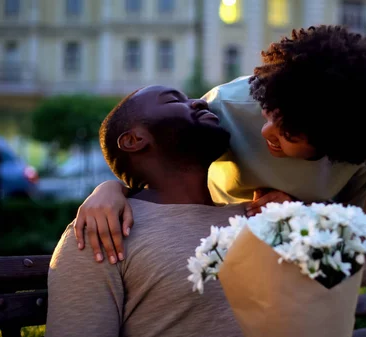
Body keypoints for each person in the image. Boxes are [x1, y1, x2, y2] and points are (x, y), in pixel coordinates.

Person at [74, 25, 366, 286]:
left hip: (272, 283)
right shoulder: (224, 109)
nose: (266, 132)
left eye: (287, 135)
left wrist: (297, 220)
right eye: (268, 113)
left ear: (336, 148)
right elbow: (158, 165)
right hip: (215, 267)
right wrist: (112, 188)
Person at [46, 86, 243, 337]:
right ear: (134, 140)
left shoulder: (262, 214)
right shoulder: (104, 230)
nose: (199, 102)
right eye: (173, 100)